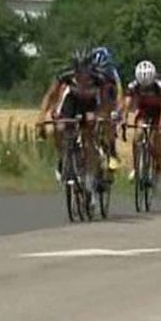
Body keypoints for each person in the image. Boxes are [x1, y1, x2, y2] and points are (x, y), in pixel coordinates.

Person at [37, 47, 106, 208]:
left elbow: (106, 103)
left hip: (90, 105)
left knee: (89, 138)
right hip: (72, 102)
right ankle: (64, 158)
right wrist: (42, 116)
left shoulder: (99, 79)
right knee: (60, 128)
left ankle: (90, 183)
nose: (81, 75)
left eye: (85, 70)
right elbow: (50, 96)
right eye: (78, 70)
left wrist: (98, 114)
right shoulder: (65, 77)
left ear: (90, 68)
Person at [124, 60, 161, 189]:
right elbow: (127, 104)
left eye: (147, 86)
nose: (145, 88)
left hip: (157, 112)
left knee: (155, 143)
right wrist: (124, 118)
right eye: (143, 86)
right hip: (143, 112)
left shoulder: (160, 85)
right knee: (137, 137)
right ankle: (136, 167)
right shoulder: (133, 85)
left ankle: (158, 171)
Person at [92, 46, 123, 170]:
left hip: (107, 98)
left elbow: (119, 92)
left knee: (108, 122)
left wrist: (117, 111)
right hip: (93, 97)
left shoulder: (112, 73)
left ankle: (112, 150)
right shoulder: (89, 72)